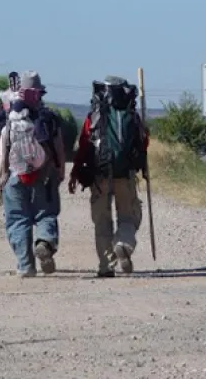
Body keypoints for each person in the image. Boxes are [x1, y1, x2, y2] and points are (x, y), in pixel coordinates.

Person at [68, 75, 150, 277]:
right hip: (126, 175)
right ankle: (123, 243)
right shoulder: (132, 116)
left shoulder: (94, 116)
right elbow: (143, 144)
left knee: (102, 222)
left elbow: (84, 145)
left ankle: (106, 265)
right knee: (129, 217)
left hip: (100, 175)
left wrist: (75, 173)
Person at [0, 71, 66, 277]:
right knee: (46, 214)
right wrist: (60, 171)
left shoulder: (7, 118)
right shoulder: (47, 118)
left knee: (17, 219)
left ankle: (25, 265)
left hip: (14, 175)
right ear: (39, 93)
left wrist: (0, 177)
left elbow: (1, 150)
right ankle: (44, 242)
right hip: (44, 174)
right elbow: (58, 147)